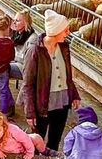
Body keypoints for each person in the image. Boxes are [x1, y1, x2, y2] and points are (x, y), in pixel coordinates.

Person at [21, 10, 81, 151]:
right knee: (37, 141)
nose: (68, 33)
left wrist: (74, 94)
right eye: (65, 30)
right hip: (42, 102)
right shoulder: (35, 51)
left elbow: (67, 75)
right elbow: (27, 84)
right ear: (56, 31)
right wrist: (30, 112)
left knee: (55, 140)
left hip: (62, 101)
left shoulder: (64, 47)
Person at [9, 9, 36, 81]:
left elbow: (29, 62)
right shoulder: (16, 35)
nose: (14, 23)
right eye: (14, 20)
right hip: (15, 62)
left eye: (17, 21)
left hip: (24, 68)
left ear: (25, 23)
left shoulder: (32, 39)